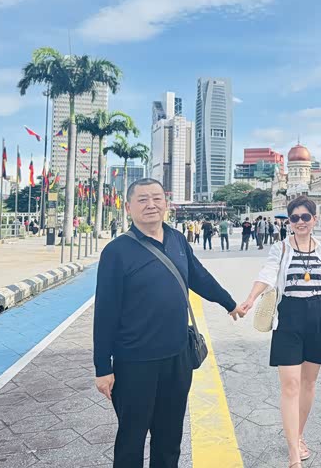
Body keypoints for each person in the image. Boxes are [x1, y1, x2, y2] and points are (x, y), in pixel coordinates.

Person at [93, 178, 242, 468]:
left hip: (177, 358)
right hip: (134, 362)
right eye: (142, 199)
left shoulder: (177, 239)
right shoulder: (116, 252)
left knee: (170, 438)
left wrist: (229, 302)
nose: (151, 205)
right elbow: (106, 312)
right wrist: (102, 367)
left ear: (166, 203)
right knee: (131, 439)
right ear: (128, 207)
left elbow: (198, 276)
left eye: (157, 198)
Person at [237, 195, 321, 468]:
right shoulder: (281, 248)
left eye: (305, 217)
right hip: (289, 318)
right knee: (290, 385)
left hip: (318, 317)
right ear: (289, 222)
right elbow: (267, 274)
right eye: (294, 218)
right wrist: (251, 298)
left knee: (308, 384)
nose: (300, 222)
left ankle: (298, 435)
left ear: (314, 219)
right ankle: (294, 455)